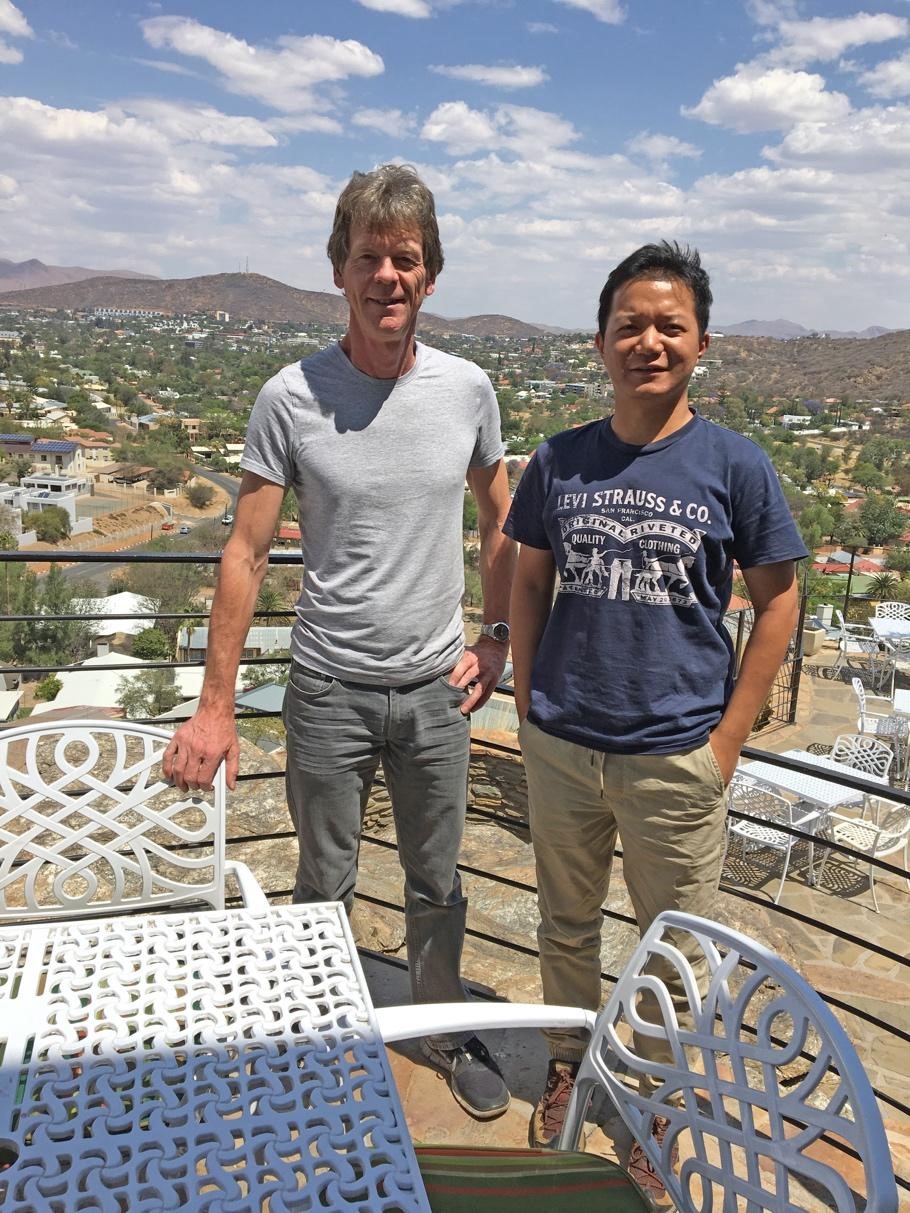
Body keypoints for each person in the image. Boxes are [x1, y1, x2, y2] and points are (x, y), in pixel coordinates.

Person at [163, 164, 516, 1120]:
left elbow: (499, 521)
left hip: (439, 688)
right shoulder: (290, 396)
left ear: (430, 275)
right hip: (328, 688)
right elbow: (243, 550)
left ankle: (442, 1024)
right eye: (370, 257)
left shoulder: (469, 388)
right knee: (324, 880)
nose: (388, 276)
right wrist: (215, 701)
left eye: (406, 259)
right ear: (340, 269)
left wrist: (496, 636)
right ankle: (319, 1028)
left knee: (438, 879)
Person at [505, 241, 807, 1195]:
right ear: (600, 341)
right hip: (563, 746)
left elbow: (780, 598)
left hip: (676, 756)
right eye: (629, 324)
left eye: (668, 325)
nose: (648, 341)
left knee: (675, 953)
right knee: (565, 925)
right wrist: (525, 696)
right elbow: (528, 575)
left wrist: (729, 738)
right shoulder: (560, 460)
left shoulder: (734, 465)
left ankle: (647, 1098)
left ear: (701, 343)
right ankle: (567, 1071)